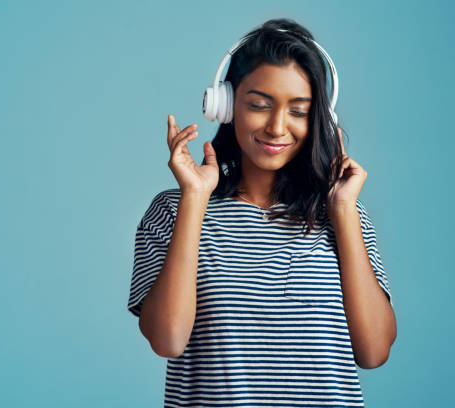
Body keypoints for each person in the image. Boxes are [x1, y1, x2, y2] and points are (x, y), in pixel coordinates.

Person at [128, 17, 396, 408]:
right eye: (258, 105)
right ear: (224, 105)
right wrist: (194, 201)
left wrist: (341, 210)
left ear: (319, 118)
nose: (276, 127)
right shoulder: (174, 210)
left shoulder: (344, 212)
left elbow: (373, 352)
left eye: (298, 111)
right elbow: (167, 340)